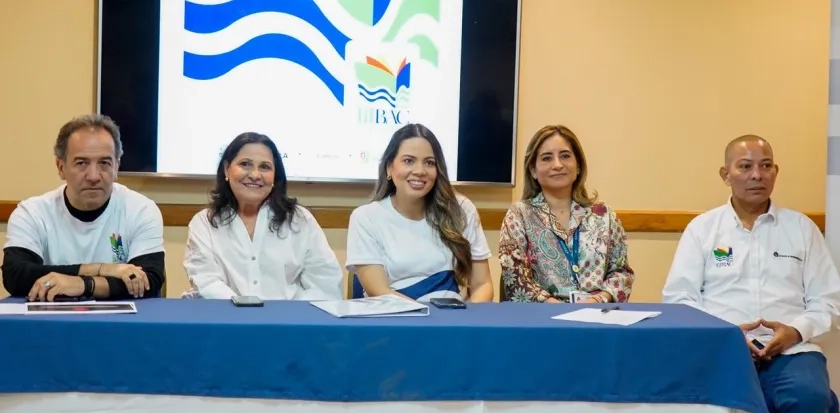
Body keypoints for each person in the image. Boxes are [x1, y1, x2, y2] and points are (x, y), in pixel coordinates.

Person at [661, 134, 840, 413]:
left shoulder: (801, 228)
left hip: (793, 352)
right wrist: (726, 335)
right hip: (725, 352)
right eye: (745, 166)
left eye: (765, 165)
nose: (757, 174)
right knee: (734, 411)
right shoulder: (703, 230)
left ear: (776, 171)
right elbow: (679, 299)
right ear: (725, 174)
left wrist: (794, 332)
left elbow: (828, 300)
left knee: (811, 397)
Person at [2, 114, 165, 301]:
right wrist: (102, 269)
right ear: (61, 167)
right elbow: (15, 275)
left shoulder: (141, 210)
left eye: (104, 163)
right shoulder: (32, 213)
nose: (94, 176)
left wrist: (82, 284)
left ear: (116, 167)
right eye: (82, 163)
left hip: (121, 326)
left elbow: (147, 281)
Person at [182, 132, 342, 300]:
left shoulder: (300, 220)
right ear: (227, 169)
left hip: (290, 321)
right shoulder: (204, 223)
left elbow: (325, 283)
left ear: (275, 176)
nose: (255, 175)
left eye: (265, 167)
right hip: (227, 321)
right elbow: (207, 283)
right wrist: (245, 313)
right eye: (245, 164)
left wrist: (286, 317)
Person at [346, 123, 494, 302]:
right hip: (393, 321)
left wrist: (464, 325)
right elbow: (379, 291)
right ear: (389, 168)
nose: (420, 171)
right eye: (408, 161)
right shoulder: (366, 217)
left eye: (429, 163)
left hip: (452, 322)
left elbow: (482, 285)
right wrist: (429, 322)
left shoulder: (461, 209)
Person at [499, 125, 634, 303]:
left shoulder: (604, 215)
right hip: (543, 319)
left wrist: (597, 301)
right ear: (533, 170)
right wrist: (556, 307)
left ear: (578, 166)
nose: (557, 165)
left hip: (598, 315)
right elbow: (515, 279)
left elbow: (621, 273)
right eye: (547, 158)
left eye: (565, 156)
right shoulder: (518, 215)